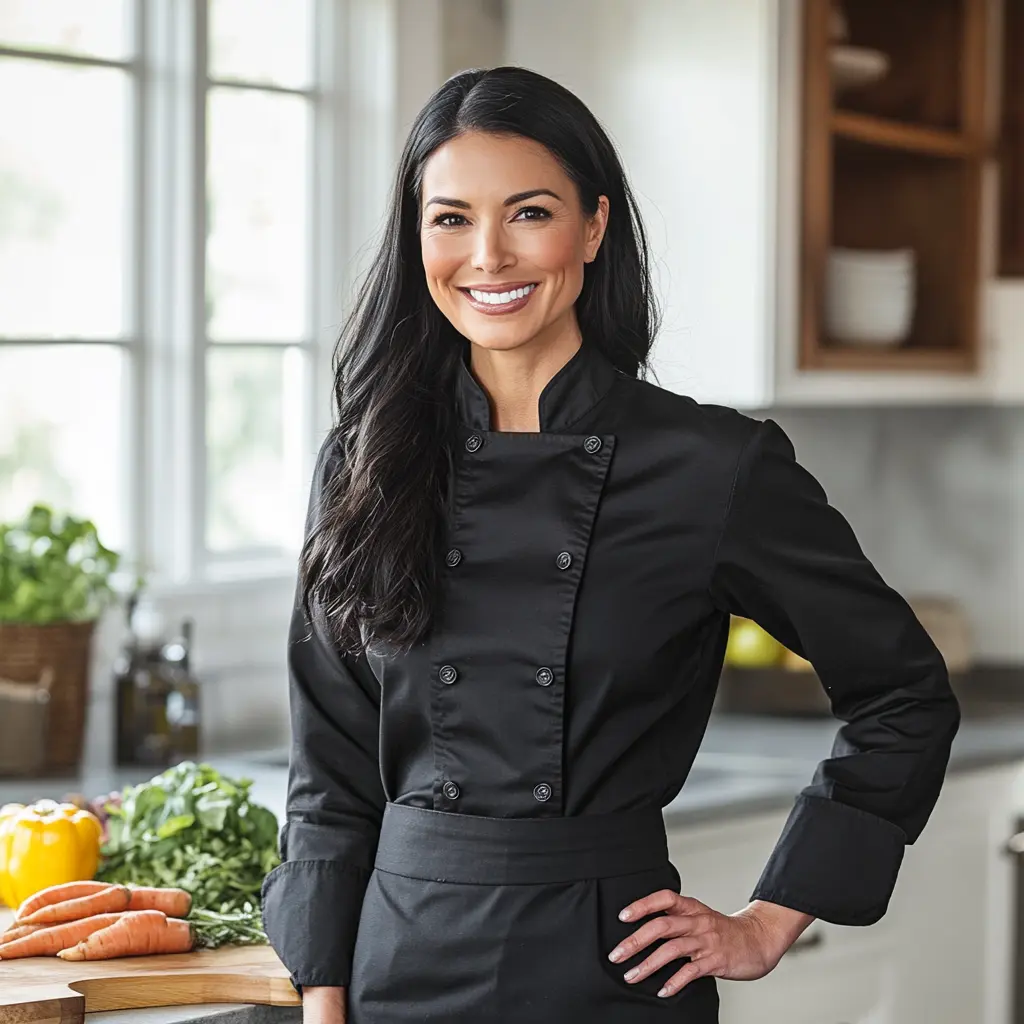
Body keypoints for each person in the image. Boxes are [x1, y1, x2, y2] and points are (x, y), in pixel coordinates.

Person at [260, 66, 961, 1024]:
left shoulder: (711, 464)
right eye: (452, 218)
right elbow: (333, 767)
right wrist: (325, 997)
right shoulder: (365, 461)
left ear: (593, 226)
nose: (489, 256)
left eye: (530, 213)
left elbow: (904, 695)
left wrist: (767, 919)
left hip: (609, 967)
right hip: (400, 962)